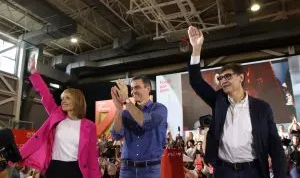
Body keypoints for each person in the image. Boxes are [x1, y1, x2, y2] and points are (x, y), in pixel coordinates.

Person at [187, 26, 286, 178]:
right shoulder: (218, 101)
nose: (223, 80)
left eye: (228, 76)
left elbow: (275, 146)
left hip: (253, 171)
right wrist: (196, 48)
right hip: (224, 171)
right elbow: (196, 82)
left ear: (241, 78)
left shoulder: (262, 108)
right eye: (220, 78)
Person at [19, 58, 100, 178]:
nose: (63, 101)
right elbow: (45, 94)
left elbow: (92, 156)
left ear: (77, 101)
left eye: (67, 98)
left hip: (76, 170)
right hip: (54, 168)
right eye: (62, 98)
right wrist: (34, 73)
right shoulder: (57, 115)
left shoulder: (90, 126)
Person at [110, 76, 168, 178]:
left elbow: (145, 122)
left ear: (148, 89)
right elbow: (116, 135)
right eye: (132, 88)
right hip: (127, 170)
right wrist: (119, 109)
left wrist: (126, 101)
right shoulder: (126, 113)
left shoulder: (159, 109)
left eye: (137, 87)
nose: (133, 91)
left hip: (150, 169)